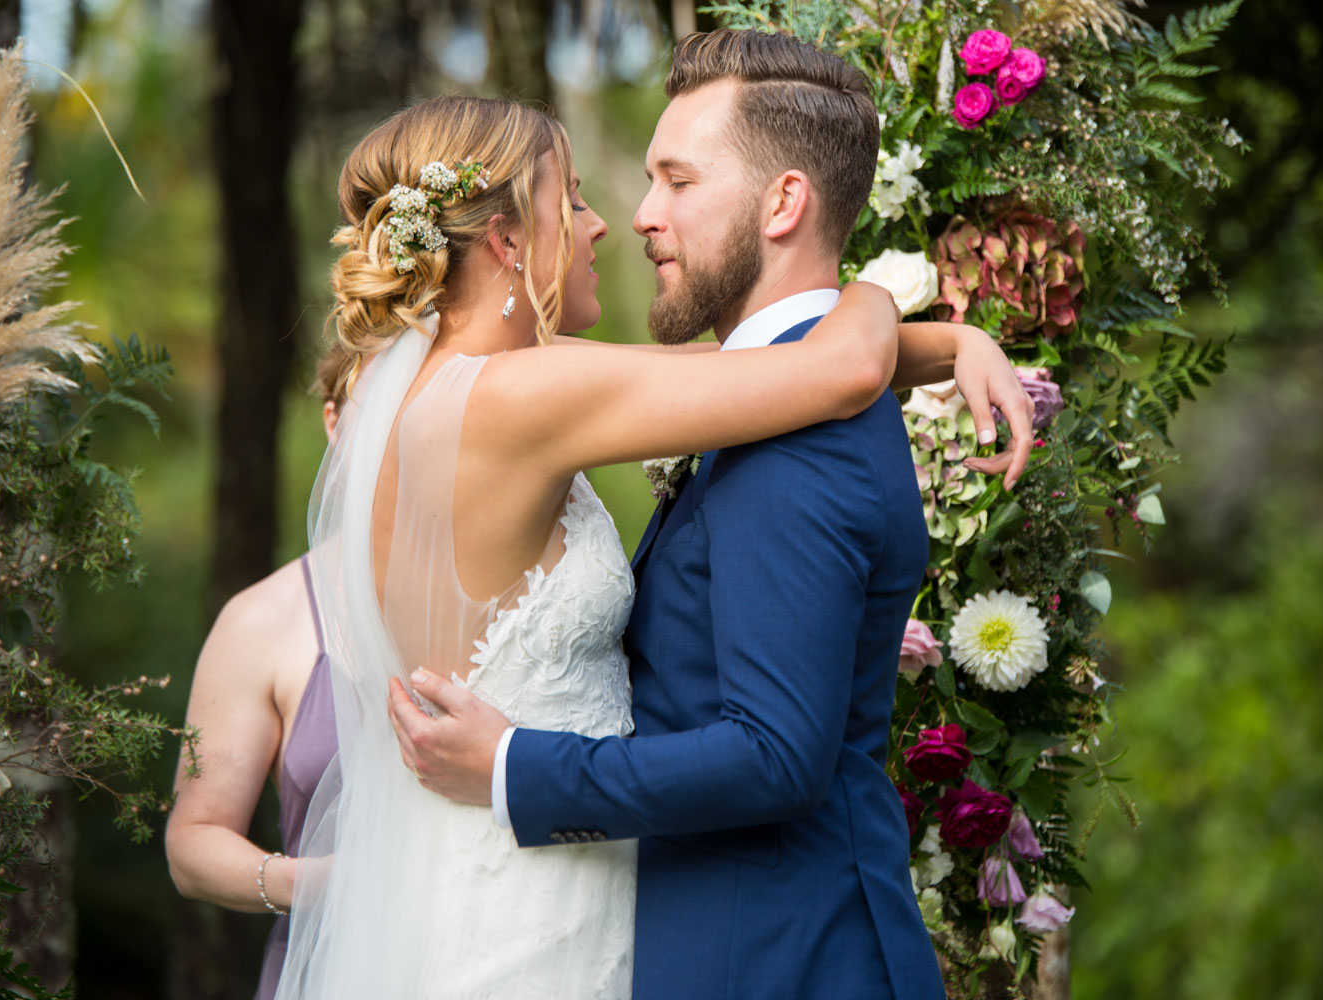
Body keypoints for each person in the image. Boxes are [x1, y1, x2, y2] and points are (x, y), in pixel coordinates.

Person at [278, 33, 1032, 1000]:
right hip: (540, 901)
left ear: (783, 200)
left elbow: (755, 377)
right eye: (579, 199)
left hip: (482, 886)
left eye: (670, 180)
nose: (614, 223)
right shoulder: (523, 395)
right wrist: (898, 307)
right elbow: (830, 367)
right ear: (506, 240)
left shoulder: (423, 395)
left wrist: (937, 343)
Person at [163, 342, 353, 1000]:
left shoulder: (526, 592)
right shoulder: (262, 620)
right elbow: (194, 840)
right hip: (334, 968)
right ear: (335, 421)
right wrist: (315, 884)